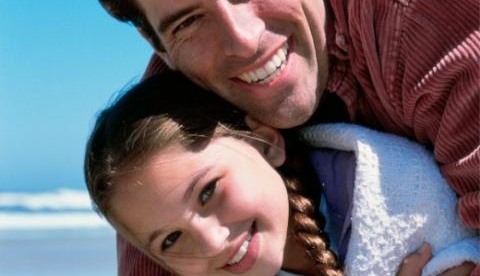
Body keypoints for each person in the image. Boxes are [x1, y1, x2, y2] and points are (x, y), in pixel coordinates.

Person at [76, 0, 479, 274]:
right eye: (188, 21)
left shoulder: (430, 13)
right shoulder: (170, 121)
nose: (244, 40)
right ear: (157, 41)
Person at [85, 73, 478, 276]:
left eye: (207, 192)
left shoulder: (402, 191)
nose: (211, 242)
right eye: (171, 239)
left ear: (265, 143)